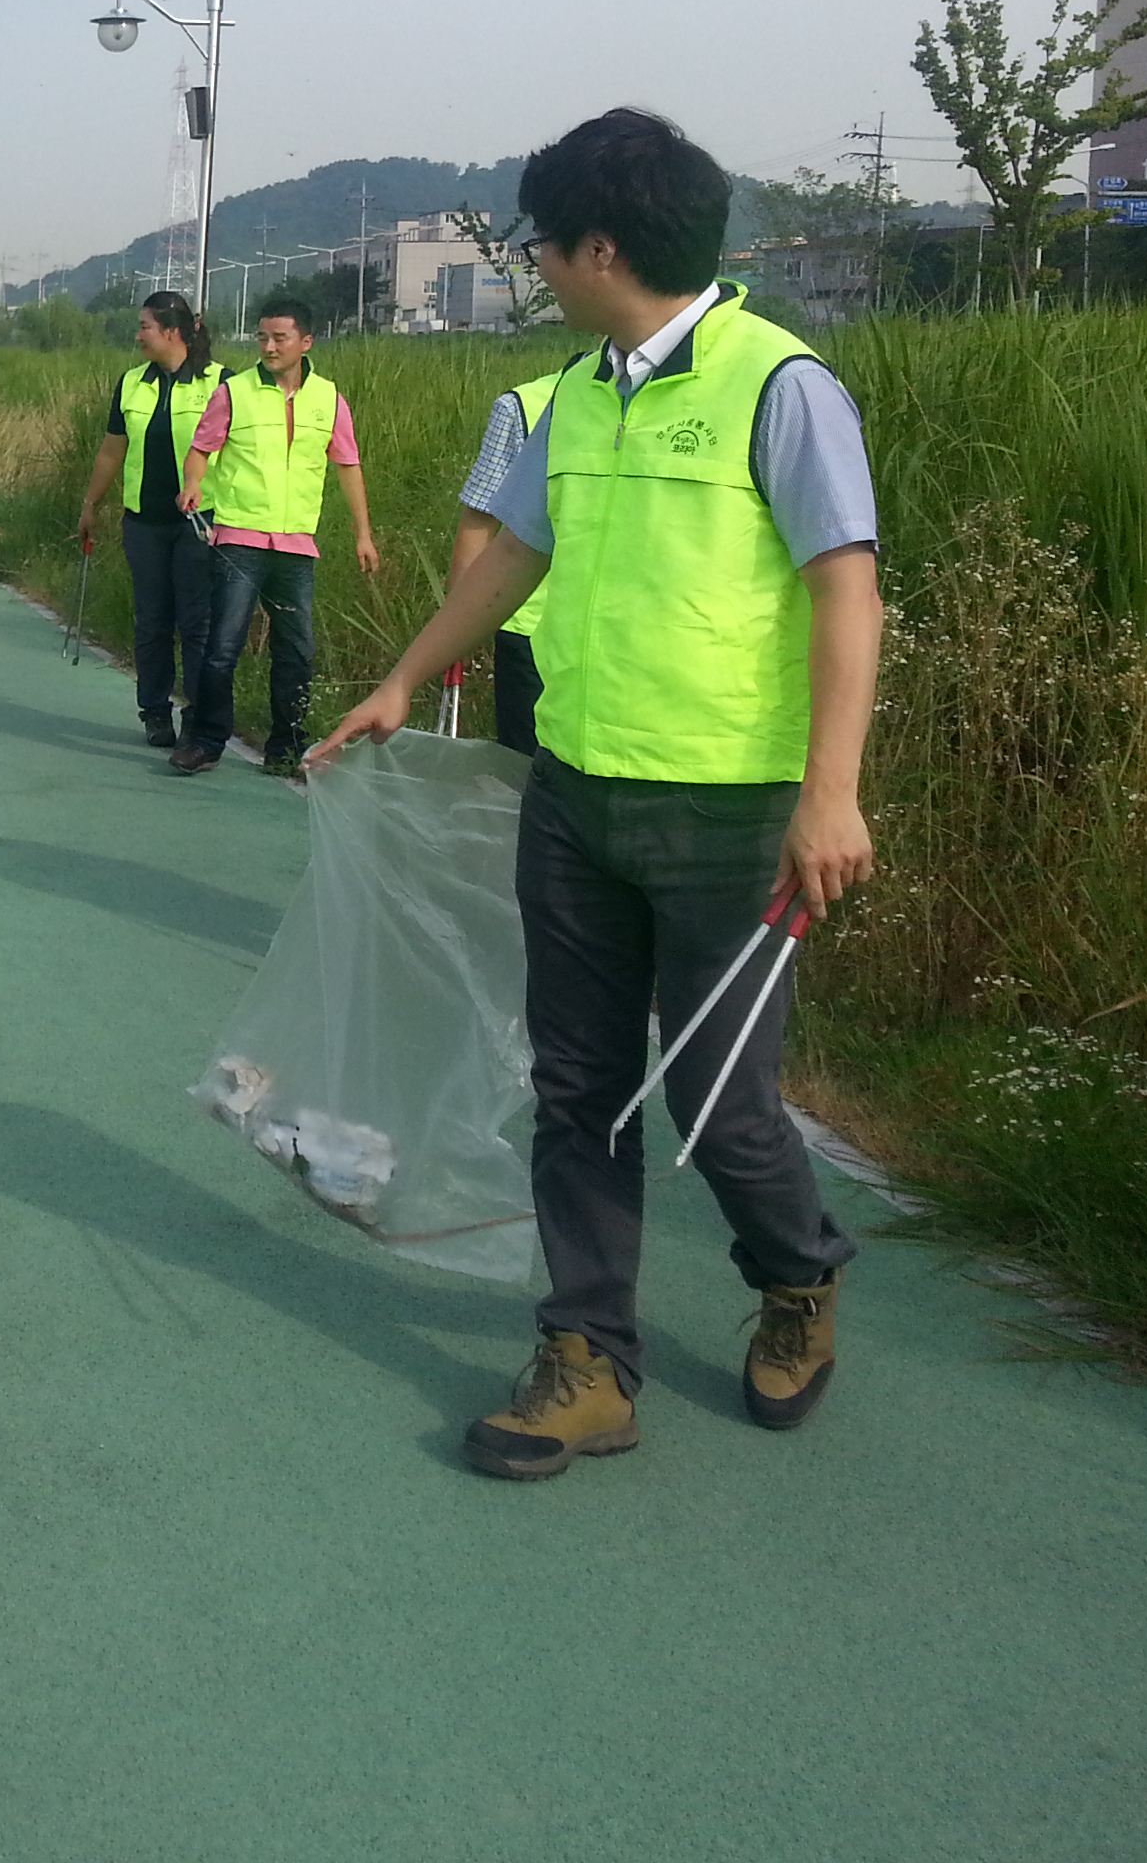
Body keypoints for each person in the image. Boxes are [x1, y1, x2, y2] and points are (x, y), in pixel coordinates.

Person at [314, 108, 881, 1481]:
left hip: (731, 812)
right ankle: (587, 1362)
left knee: (720, 1103)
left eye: (544, 244)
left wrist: (833, 796)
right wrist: (405, 676)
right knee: (578, 1090)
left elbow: (845, 589)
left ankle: (797, 1272)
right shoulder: (572, 394)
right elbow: (511, 561)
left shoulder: (776, 384)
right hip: (575, 794)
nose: (537, 266)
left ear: (603, 246)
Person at [171, 302, 379, 778]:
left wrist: (363, 534)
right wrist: (193, 484)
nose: (268, 346)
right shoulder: (234, 393)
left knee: (297, 651)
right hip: (239, 539)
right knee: (223, 647)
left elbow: (348, 466)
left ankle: (285, 746)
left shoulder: (329, 399)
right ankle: (206, 740)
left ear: (306, 342)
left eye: (280, 338)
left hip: (296, 546)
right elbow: (200, 450)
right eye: (262, 337)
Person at [73, 290, 222, 751]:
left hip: (200, 523)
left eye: (145, 327)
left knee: (197, 624)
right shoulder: (132, 383)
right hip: (144, 522)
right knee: (153, 621)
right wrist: (91, 503)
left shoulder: (220, 384)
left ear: (172, 332)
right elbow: (112, 449)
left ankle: (199, 716)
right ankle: (155, 712)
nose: (138, 335)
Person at [450, 360, 577, 754]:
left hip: (617, 633)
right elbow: (480, 519)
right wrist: (458, 629)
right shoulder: (523, 406)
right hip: (529, 627)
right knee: (526, 764)